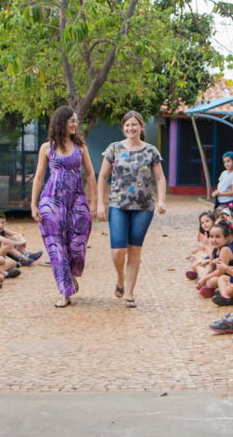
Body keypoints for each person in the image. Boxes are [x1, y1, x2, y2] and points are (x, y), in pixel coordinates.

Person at [95, 111, 167, 308]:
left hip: (144, 208)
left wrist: (161, 201)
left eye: (134, 124)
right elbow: (102, 177)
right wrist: (100, 203)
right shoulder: (114, 149)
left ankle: (129, 293)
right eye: (127, 125)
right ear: (123, 127)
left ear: (141, 127)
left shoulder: (151, 151)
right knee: (118, 250)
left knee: (135, 250)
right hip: (118, 205)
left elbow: (160, 178)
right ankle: (120, 277)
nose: (131, 128)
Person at [30, 106, 97, 308]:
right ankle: (65, 291)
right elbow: (39, 177)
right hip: (51, 201)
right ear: (62, 123)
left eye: (76, 121)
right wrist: (33, 204)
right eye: (72, 121)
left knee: (77, 244)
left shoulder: (80, 147)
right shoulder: (47, 148)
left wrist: (94, 201)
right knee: (57, 247)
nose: (76, 124)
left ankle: (71, 276)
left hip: (76, 199)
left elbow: (90, 174)